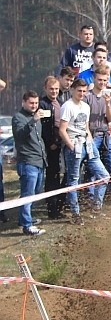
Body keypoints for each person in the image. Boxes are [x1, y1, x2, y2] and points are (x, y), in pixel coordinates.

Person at [59, 78, 109, 224]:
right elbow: (62, 130)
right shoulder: (67, 106)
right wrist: (71, 146)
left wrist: (91, 142)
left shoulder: (86, 106)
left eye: (84, 91)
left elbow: (86, 127)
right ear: (73, 90)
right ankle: (75, 213)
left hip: (88, 143)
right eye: (79, 90)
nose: (81, 93)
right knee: (74, 180)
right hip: (74, 145)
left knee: (104, 176)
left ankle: (96, 207)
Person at [83, 64, 111, 199]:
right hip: (92, 135)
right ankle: (93, 201)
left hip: (106, 134)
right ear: (94, 79)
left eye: (105, 80)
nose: (103, 83)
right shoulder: (87, 97)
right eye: (100, 80)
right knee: (93, 171)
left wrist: (108, 102)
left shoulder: (109, 95)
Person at [12, 91, 46, 235]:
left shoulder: (36, 117)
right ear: (23, 102)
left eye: (36, 103)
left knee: (36, 192)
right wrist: (32, 121)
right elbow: (19, 136)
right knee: (27, 193)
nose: (34, 106)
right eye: (31, 103)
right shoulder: (18, 118)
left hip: (39, 160)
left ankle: (25, 218)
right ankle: (27, 225)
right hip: (27, 161)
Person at [38, 76, 65, 219]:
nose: (54, 91)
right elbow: (42, 128)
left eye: (56, 89)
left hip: (61, 143)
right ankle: (52, 209)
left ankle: (59, 205)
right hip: (50, 146)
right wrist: (50, 143)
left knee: (60, 175)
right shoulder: (42, 104)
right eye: (51, 89)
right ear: (45, 89)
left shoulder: (61, 102)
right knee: (52, 177)